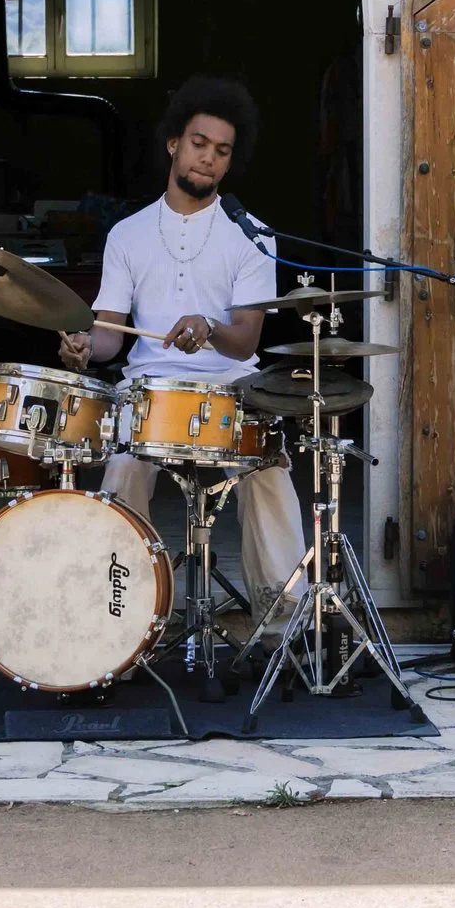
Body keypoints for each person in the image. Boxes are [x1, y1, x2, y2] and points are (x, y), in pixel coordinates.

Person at [59, 76, 308, 618]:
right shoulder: (127, 234)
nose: (209, 159)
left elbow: (244, 343)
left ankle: (285, 615)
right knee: (121, 470)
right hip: (148, 387)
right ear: (174, 143)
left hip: (231, 385)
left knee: (269, 471)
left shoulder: (253, 235)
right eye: (199, 144)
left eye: (222, 151)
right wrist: (85, 348)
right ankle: (120, 615)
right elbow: (109, 335)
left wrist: (209, 328)